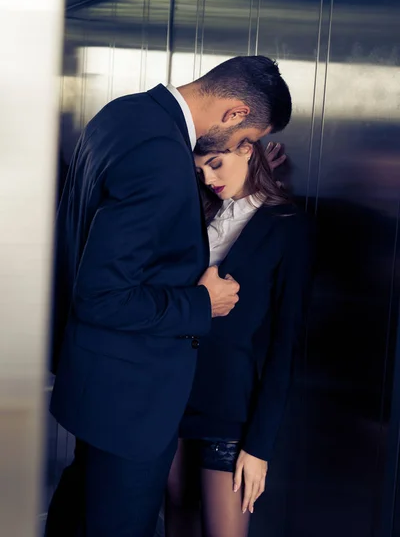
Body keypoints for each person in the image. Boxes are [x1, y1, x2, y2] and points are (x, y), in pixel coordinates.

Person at [46, 55, 292, 537]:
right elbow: (103, 295)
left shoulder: (125, 114)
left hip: (96, 385)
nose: (246, 149)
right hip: (132, 402)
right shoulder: (160, 153)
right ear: (235, 112)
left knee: (78, 514)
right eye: (246, 140)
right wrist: (204, 304)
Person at [165, 139, 314, 537]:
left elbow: (286, 343)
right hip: (169, 400)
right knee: (176, 522)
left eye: (215, 164)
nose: (209, 178)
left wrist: (259, 446)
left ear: (248, 148)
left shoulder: (288, 225)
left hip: (231, 413)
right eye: (200, 172)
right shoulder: (200, 214)